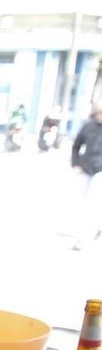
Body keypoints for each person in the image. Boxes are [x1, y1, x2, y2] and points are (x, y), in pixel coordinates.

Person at [70, 102, 102, 247]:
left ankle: (83, 237)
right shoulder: (88, 126)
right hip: (86, 167)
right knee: (85, 200)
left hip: (100, 169)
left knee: (92, 200)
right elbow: (77, 145)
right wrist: (75, 162)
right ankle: (96, 227)